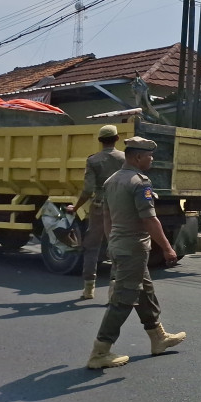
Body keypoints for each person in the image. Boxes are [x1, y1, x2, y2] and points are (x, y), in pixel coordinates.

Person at [86, 136, 186, 370]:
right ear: (138, 157)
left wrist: (112, 242)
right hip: (133, 248)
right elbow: (149, 219)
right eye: (149, 156)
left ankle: (158, 337)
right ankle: (100, 351)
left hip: (120, 244)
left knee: (145, 293)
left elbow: (107, 216)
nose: (151, 159)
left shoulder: (112, 180)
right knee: (124, 299)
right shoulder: (140, 182)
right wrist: (168, 248)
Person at [66, 124, 125, 300]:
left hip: (99, 207)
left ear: (100, 141)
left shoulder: (93, 160)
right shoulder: (124, 158)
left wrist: (75, 207)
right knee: (116, 246)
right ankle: (113, 291)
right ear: (117, 139)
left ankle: (88, 289)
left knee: (92, 246)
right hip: (120, 207)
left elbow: (87, 190)